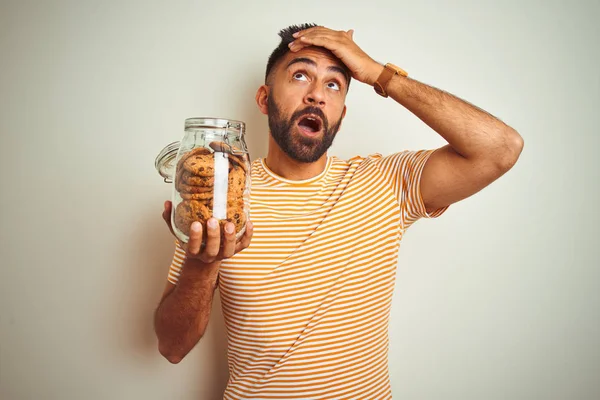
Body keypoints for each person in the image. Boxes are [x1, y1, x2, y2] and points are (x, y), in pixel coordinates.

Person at [154, 23, 524, 399]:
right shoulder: (224, 198)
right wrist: (201, 266)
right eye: (300, 75)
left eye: (333, 84)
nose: (316, 95)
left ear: (342, 114)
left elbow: (501, 148)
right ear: (265, 99)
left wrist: (379, 74)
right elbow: (172, 347)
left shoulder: (386, 183)